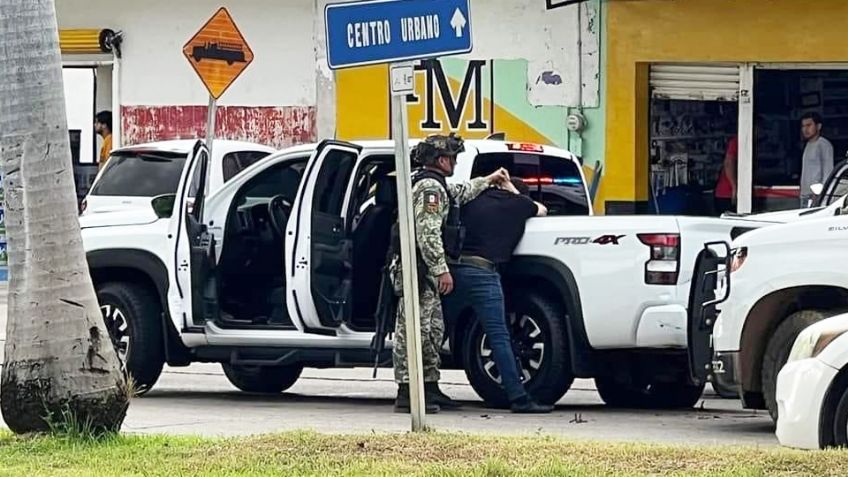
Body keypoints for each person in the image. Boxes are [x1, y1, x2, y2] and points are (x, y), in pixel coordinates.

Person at [391, 133, 508, 414]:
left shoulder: (437, 185)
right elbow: (428, 233)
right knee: (414, 331)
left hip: (424, 272)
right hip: (418, 271)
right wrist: (441, 270)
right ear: (441, 160)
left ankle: (429, 387)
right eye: (453, 158)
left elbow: (460, 192)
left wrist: (487, 180)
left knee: (432, 330)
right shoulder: (429, 188)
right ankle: (408, 392)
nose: (455, 162)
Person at [441, 177, 553, 413]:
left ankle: (419, 390)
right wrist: (514, 192)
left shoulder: (473, 201)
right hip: (484, 273)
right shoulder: (519, 205)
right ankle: (518, 398)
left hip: (453, 271)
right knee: (498, 335)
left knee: (435, 330)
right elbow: (541, 210)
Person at [799, 112, 834, 207]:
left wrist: (820, 193)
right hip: (805, 194)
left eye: (809, 125)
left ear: (818, 126)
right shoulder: (807, 145)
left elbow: (828, 171)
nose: (805, 129)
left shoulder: (824, 145)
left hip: (816, 196)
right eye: (803, 126)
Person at [714, 135, 737, 215]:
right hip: (727, 194)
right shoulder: (737, 141)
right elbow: (729, 163)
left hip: (726, 194)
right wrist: (734, 187)